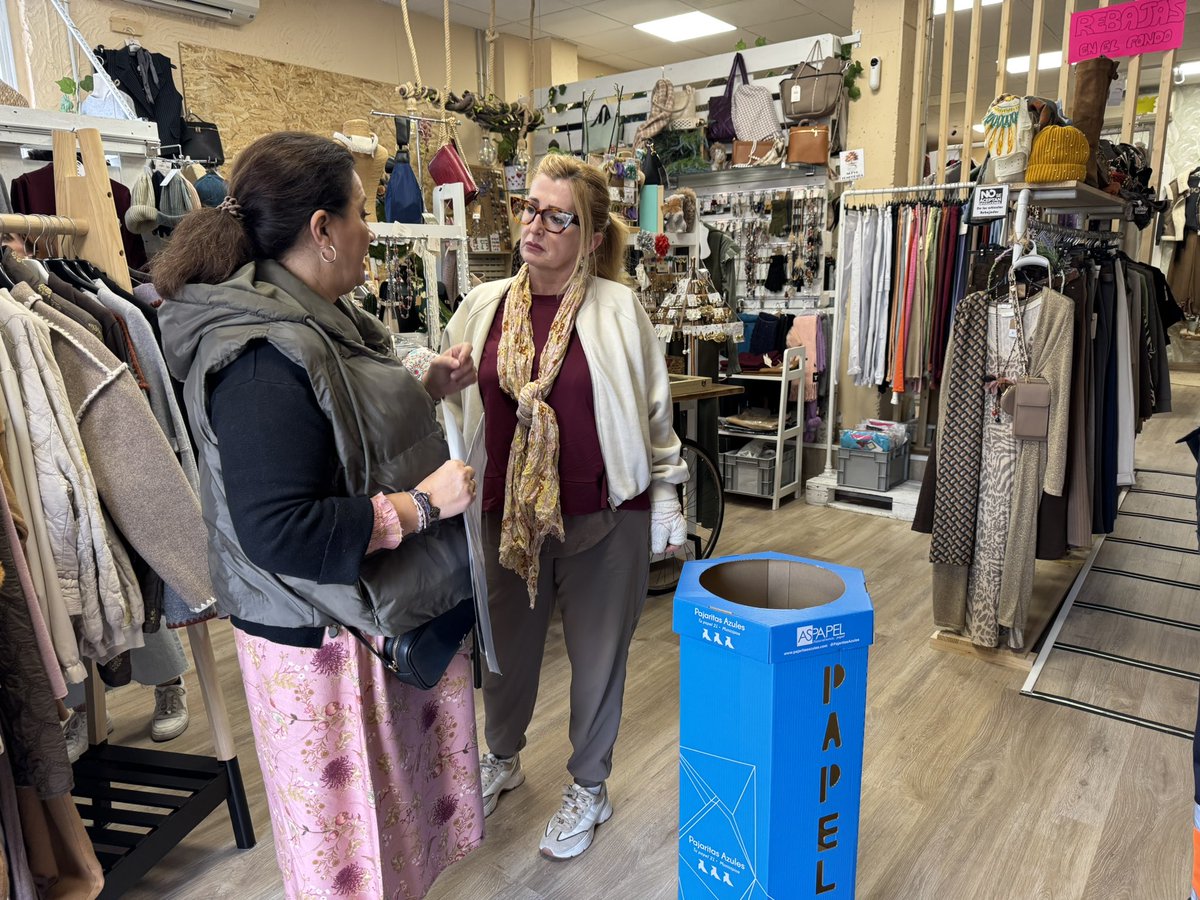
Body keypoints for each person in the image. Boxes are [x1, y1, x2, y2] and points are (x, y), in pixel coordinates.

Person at [153, 132, 484, 899]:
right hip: (316, 639)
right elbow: (279, 529)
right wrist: (426, 503)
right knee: (351, 855)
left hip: (347, 616)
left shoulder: (316, 316)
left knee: (387, 841)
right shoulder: (263, 351)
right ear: (321, 229)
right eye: (362, 212)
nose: (371, 229)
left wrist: (423, 387)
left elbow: (335, 430)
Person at [443, 154, 688, 860]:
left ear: (588, 233)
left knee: (597, 654)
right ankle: (502, 756)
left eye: (559, 217)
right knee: (505, 654)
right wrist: (437, 383)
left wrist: (668, 491)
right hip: (505, 515)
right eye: (531, 209)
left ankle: (589, 783)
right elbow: (456, 396)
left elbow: (653, 408)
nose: (537, 226)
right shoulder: (484, 305)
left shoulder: (618, 309)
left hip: (603, 515)